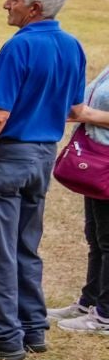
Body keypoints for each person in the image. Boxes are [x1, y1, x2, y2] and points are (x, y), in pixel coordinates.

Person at [0, 0, 89, 360]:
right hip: (42, 154)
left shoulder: (18, 48)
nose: (6, 3)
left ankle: (4, 336)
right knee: (24, 245)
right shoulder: (72, 47)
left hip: (6, 155)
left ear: (34, 8)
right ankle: (33, 327)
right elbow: (72, 107)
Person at [55, 66, 109, 334]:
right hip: (97, 158)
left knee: (108, 240)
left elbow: (86, 109)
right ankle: (90, 302)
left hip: (106, 163)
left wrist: (87, 115)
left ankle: (105, 316)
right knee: (96, 237)